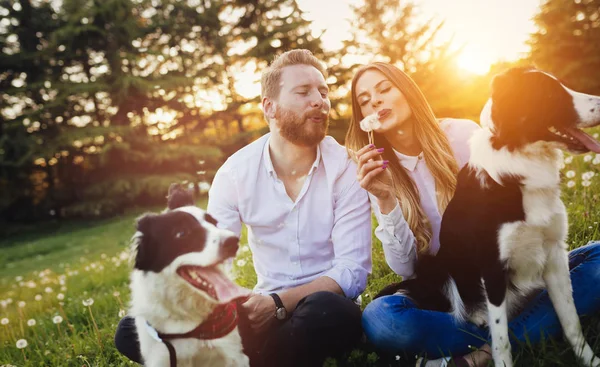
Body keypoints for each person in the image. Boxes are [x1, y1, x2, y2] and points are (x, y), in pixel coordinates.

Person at [114, 49, 372, 367]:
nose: (319, 100)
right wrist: (243, 302)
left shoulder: (347, 167)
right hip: (260, 308)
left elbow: (352, 272)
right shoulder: (236, 172)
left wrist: (277, 302)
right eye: (303, 92)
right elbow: (211, 256)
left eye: (323, 91)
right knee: (132, 329)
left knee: (329, 310)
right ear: (269, 107)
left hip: (322, 305)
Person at [344, 62, 600, 367]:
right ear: (364, 118)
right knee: (381, 319)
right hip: (453, 290)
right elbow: (407, 267)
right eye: (365, 100)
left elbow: (525, 209)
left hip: (520, 270)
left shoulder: (463, 134)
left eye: (385, 89)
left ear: (408, 92)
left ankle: (479, 352)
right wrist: (385, 199)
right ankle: (525, 331)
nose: (375, 100)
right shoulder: (379, 173)